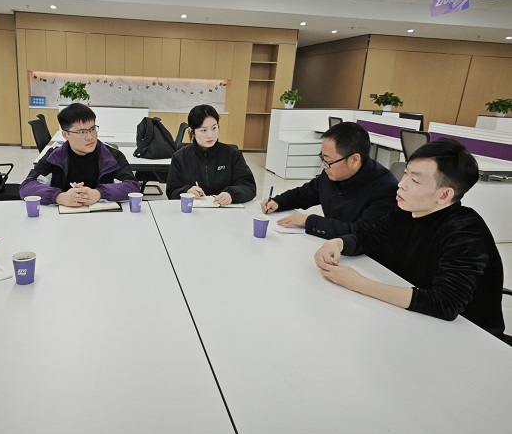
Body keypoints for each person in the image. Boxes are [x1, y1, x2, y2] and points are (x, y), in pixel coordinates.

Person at [314, 138, 504, 336]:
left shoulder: (466, 232)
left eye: (415, 181)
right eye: (405, 173)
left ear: (444, 195)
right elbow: (370, 236)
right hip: (411, 320)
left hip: (469, 336)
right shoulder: (408, 209)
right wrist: (338, 243)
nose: (401, 185)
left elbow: (446, 303)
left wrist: (359, 284)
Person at [261, 121, 397, 238]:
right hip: (330, 247)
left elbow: (361, 233)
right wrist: (279, 202)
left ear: (354, 160)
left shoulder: (385, 189)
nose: (323, 165)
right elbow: (305, 193)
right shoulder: (332, 172)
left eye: (328, 160)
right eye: (322, 158)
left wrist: (309, 221)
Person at [20, 103, 139, 206]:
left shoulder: (112, 156)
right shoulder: (55, 157)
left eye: (92, 129)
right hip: (62, 219)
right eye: (82, 132)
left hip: (103, 218)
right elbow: (27, 186)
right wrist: (60, 197)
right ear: (66, 135)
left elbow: (132, 186)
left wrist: (99, 193)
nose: (90, 137)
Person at [166, 104, 256, 204]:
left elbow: (249, 186)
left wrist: (232, 195)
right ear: (192, 132)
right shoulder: (180, 157)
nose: (210, 135)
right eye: (203, 130)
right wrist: (187, 191)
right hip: (193, 210)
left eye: (214, 128)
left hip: (225, 210)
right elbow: (171, 192)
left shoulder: (232, 155)